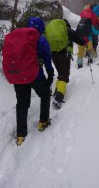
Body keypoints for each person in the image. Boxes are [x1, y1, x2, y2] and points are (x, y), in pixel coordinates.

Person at [14, 17, 54, 145]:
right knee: (45, 94)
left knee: (22, 103)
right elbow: (47, 59)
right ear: (41, 27)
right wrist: (50, 74)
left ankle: (20, 135)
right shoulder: (41, 40)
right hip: (35, 76)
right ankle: (43, 121)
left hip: (19, 77)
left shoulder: (19, 38)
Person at [45, 18, 85, 109]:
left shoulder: (51, 31)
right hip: (64, 54)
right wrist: (84, 42)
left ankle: (56, 91)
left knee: (60, 73)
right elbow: (79, 40)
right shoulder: (68, 30)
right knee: (64, 75)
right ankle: (58, 98)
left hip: (53, 54)